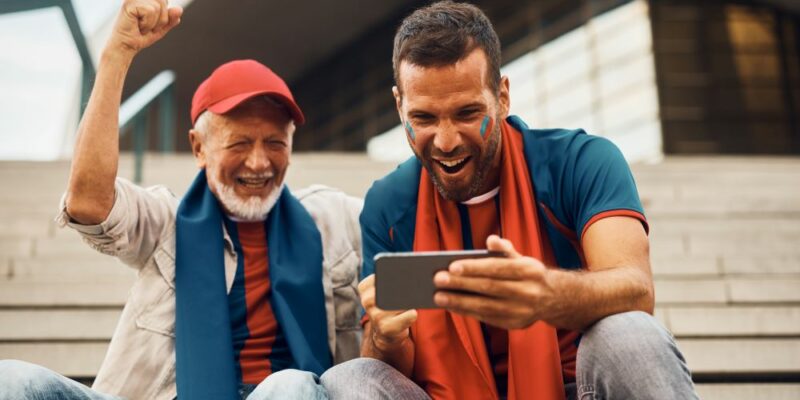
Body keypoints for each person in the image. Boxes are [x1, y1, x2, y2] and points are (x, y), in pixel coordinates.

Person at [0, 1, 362, 399]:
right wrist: (116, 54)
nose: (259, 162)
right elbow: (87, 203)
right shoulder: (166, 222)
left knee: (291, 383)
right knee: (13, 379)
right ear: (199, 148)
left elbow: (414, 220)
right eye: (239, 143)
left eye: (275, 143)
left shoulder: (332, 219)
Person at [347, 1, 700, 399]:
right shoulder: (386, 204)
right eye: (424, 119)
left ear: (502, 96)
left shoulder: (581, 161)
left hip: (572, 389)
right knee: (353, 377)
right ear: (399, 106)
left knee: (630, 332)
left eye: (467, 113)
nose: (446, 142)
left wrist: (546, 295)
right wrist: (384, 335)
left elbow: (635, 290)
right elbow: (386, 370)